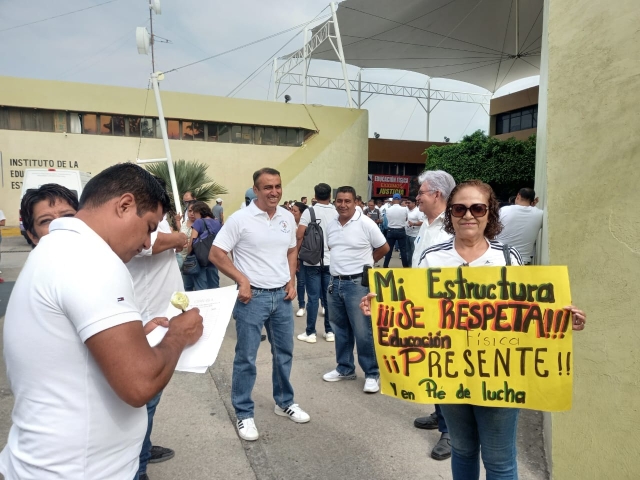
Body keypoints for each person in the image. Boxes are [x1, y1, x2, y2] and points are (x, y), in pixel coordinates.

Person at [363, 179, 587, 480]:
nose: (468, 215)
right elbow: (413, 305)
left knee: (499, 459)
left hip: (499, 374)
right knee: (464, 451)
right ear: (451, 214)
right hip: (449, 373)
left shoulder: (508, 258)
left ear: (489, 213)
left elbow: (528, 311)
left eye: (477, 207)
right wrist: (381, 308)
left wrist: (561, 319)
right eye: (459, 208)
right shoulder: (432, 258)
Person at [0, 163, 203, 480]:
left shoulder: (58, 248)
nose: (149, 242)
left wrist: (136, 339)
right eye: (150, 227)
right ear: (124, 205)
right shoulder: (93, 261)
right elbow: (139, 385)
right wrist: (178, 335)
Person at [210, 167, 310, 442]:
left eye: (277, 186)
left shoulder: (288, 217)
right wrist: (241, 279)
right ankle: (243, 413)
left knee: (284, 352)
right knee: (246, 358)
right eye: (267, 187)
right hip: (252, 297)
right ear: (256, 190)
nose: (274, 192)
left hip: (281, 296)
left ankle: (284, 402)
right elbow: (216, 253)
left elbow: (291, 250)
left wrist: (291, 281)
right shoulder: (240, 220)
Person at [126, 175, 188, 480]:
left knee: (153, 396)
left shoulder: (157, 215)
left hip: (163, 314)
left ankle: (144, 448)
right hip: (146, 317)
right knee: (145, 398)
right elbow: (147, 245)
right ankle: (137, 468)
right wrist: (179, 238)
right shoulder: (139, 218)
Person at [322, 186, 389, 393]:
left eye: (347, 201)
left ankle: (371, 373)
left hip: (358, 284)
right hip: (335, 282)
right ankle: (344, 368)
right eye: (339, 201)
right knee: (340, 329)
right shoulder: (331, 225)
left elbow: (384, 248)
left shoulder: (366, 223)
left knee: (363, 331)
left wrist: (366, 266)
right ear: (335, 202)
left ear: (355, 202)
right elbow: (334, 249)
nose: (343, 205)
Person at [411, 170, 457, 461]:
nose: (417, 198)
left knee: (447, 367)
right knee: (433, 365)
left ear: (437, 195)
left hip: (446, 309)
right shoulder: (427, 225)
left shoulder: (452, 226)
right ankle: (441, 415)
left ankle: (452, 431)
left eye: (421, 193)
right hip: (424, 306)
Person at [295, 183, 336, 343]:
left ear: (315, 195)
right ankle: (330, 331)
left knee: (312, 297)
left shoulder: (309, 211)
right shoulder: (335, 211)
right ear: (330, 196)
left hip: (312, 261)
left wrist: (297, 257)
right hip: (331, 261)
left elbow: (299, 235)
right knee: (327, 298)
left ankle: (310, 332)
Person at [497, 187, 543, 265]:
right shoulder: (540, 214)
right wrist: (532, 206)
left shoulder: (503, 210)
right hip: (523, 261)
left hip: (500, 257)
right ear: (532, 200)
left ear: (518, 196)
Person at [189, 201, 222, 290]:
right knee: (214, 286)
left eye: (194, 212)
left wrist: (189, 254)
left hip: (200, 260)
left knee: (201, 287)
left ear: (199, 212)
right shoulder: (217, 222)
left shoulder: (198, 222)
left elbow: (192, 240)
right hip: (213, 259)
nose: (193, 215)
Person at [291, 201, 308, 318]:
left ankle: (321, 303)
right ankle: (301, 305)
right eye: (292, 210)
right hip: (292, 257)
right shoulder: (289, 223)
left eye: (295, 211)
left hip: (303, 257)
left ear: (302, 214)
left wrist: (297, 256)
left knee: (305, 283)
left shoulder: (305, 225)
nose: (292, 212)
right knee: (297, 282)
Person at [383, 193, 409, 267]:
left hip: (391, 230)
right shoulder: (404, 209)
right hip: (401, 230)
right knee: (403, 250)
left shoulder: (388, 209)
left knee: (389, 250)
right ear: (400, 200)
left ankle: (385, 266)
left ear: (393, 200)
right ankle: (406, 267)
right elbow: (406, 218)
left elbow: (387, 219)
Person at [179, 203, 196, 290]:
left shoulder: (199, 224)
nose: (192, 213)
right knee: (187, 285)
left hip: (194, 258)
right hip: (183, 258)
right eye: (190, 211)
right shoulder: (185, 223)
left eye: (194, 211)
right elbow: (181, 234)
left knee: (197, 284)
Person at [405, 195, 424, 262]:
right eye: (406, 203)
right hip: (407, 234)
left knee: (413, 253)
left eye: (409, 203)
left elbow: (422, 222)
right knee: (408, 252)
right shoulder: (408, 210)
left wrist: (413, 224)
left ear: (414, 203)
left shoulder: (418, 211)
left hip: (415, 235)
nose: (407, 204)